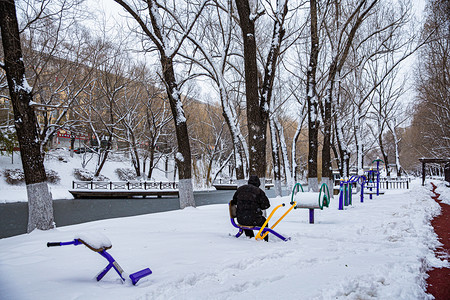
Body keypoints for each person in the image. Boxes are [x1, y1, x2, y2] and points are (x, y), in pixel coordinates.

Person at [231, 175, 271, 241]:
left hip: (241, 219)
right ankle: (265, 240)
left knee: (246, 217)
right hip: (254, 220)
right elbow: (266, 205)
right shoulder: (259, 191)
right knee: (264, 222)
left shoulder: (240, 189)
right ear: (258, 183)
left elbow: (234, 201)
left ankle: (249, 236)